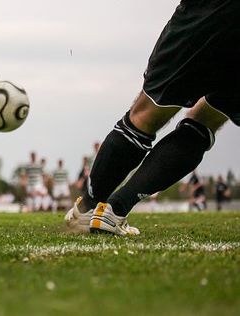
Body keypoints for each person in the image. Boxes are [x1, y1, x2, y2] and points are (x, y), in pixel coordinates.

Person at [66, 1, 240, 235]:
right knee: (207, 119)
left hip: (211, 9)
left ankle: (89, 209)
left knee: (146, 114)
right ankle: (114, 211)